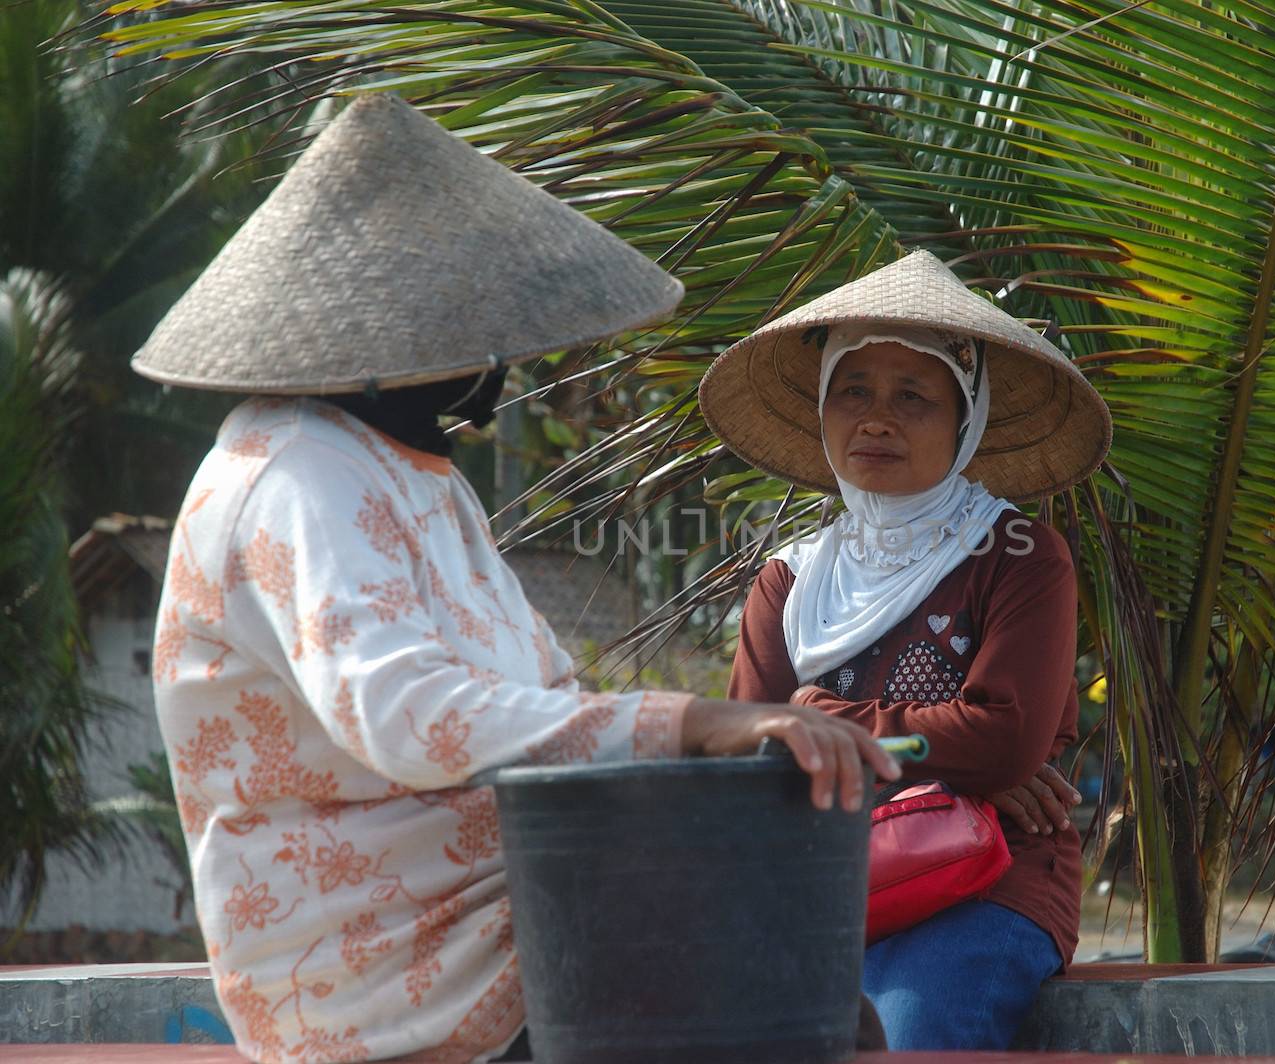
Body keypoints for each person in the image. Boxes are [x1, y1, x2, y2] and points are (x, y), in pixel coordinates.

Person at [135, 94, 896, 1064]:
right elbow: (410, 715)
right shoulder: (292, 473)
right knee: (771, 1007)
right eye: (480, 325)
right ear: (404, 332)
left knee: (817, 992)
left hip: (515, 900)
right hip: (383, 967)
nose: (504, 355)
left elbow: (539, 695)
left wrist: (714, 751)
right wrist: (695, 721)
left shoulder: (412, 471)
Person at [700, 250, 1112, 1051]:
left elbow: (1003, 740)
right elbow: (739, 770)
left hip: (990, 884)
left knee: (909, 1032)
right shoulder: (789, 582)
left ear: (967, 421)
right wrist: (953, 753)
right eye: (853, 390)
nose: (876, 418)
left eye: (913, 396)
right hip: (825, 888)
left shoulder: (1022, 556)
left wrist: (814, 715)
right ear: (822, 409)